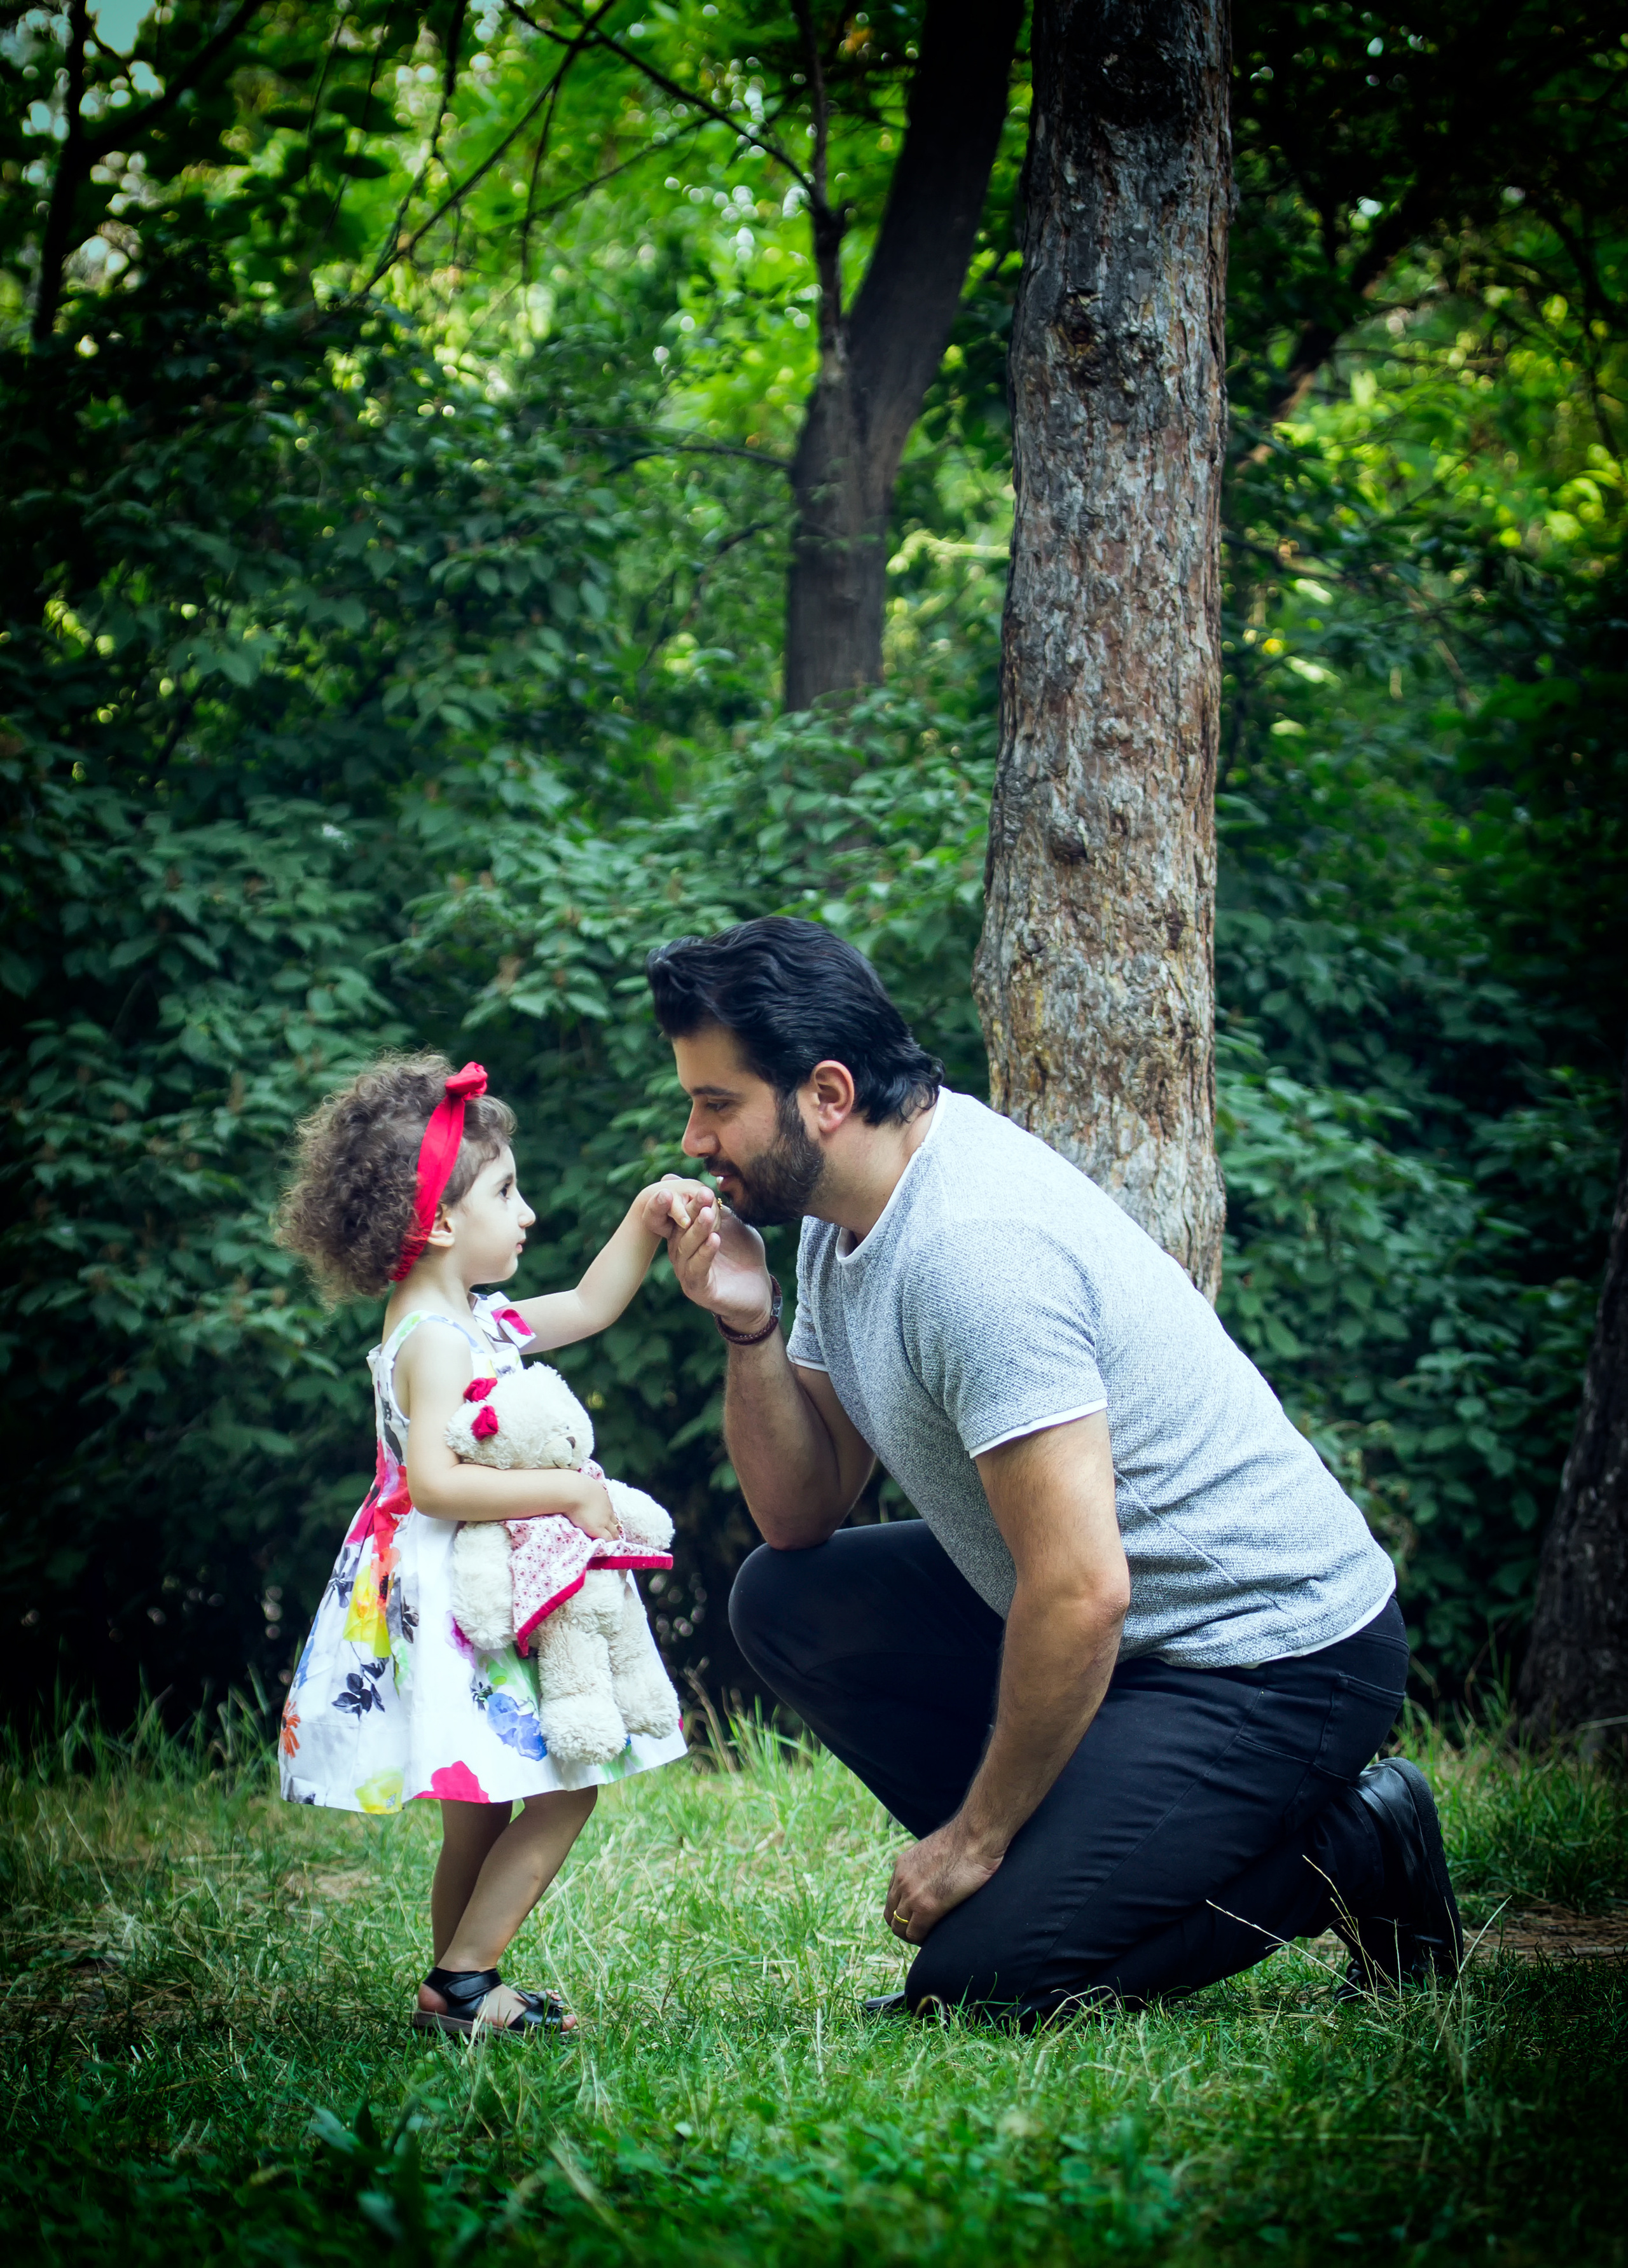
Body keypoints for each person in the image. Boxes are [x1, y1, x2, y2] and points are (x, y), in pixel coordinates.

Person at [646, 917, 1465, 2023]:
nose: (696, 1139)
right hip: (1118, 1633)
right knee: (788, 1599)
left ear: (827, 1094)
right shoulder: (838, 1220)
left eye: (717, 1102)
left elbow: (1084, 1588)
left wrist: (974, 1840)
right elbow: (798, 1511)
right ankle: (1069, 1867)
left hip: (1273, 1654)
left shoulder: (972, 1252)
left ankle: (1357, 1840)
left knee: (991, 1980)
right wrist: (749, 1330)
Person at [277, 1052, 707, 2036]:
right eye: (506, 1191)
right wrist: (563, 1486)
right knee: (567, 1787)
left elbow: (591, 1306)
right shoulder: (434, 1339)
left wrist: (644, 1219)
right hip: (460, 1601)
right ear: (436, 1223)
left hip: (474, 1594)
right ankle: (467, 1976)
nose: (528, 1212)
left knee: (477, 1803)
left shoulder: (472, 1320)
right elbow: (431, 1480)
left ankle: (457, 1988)